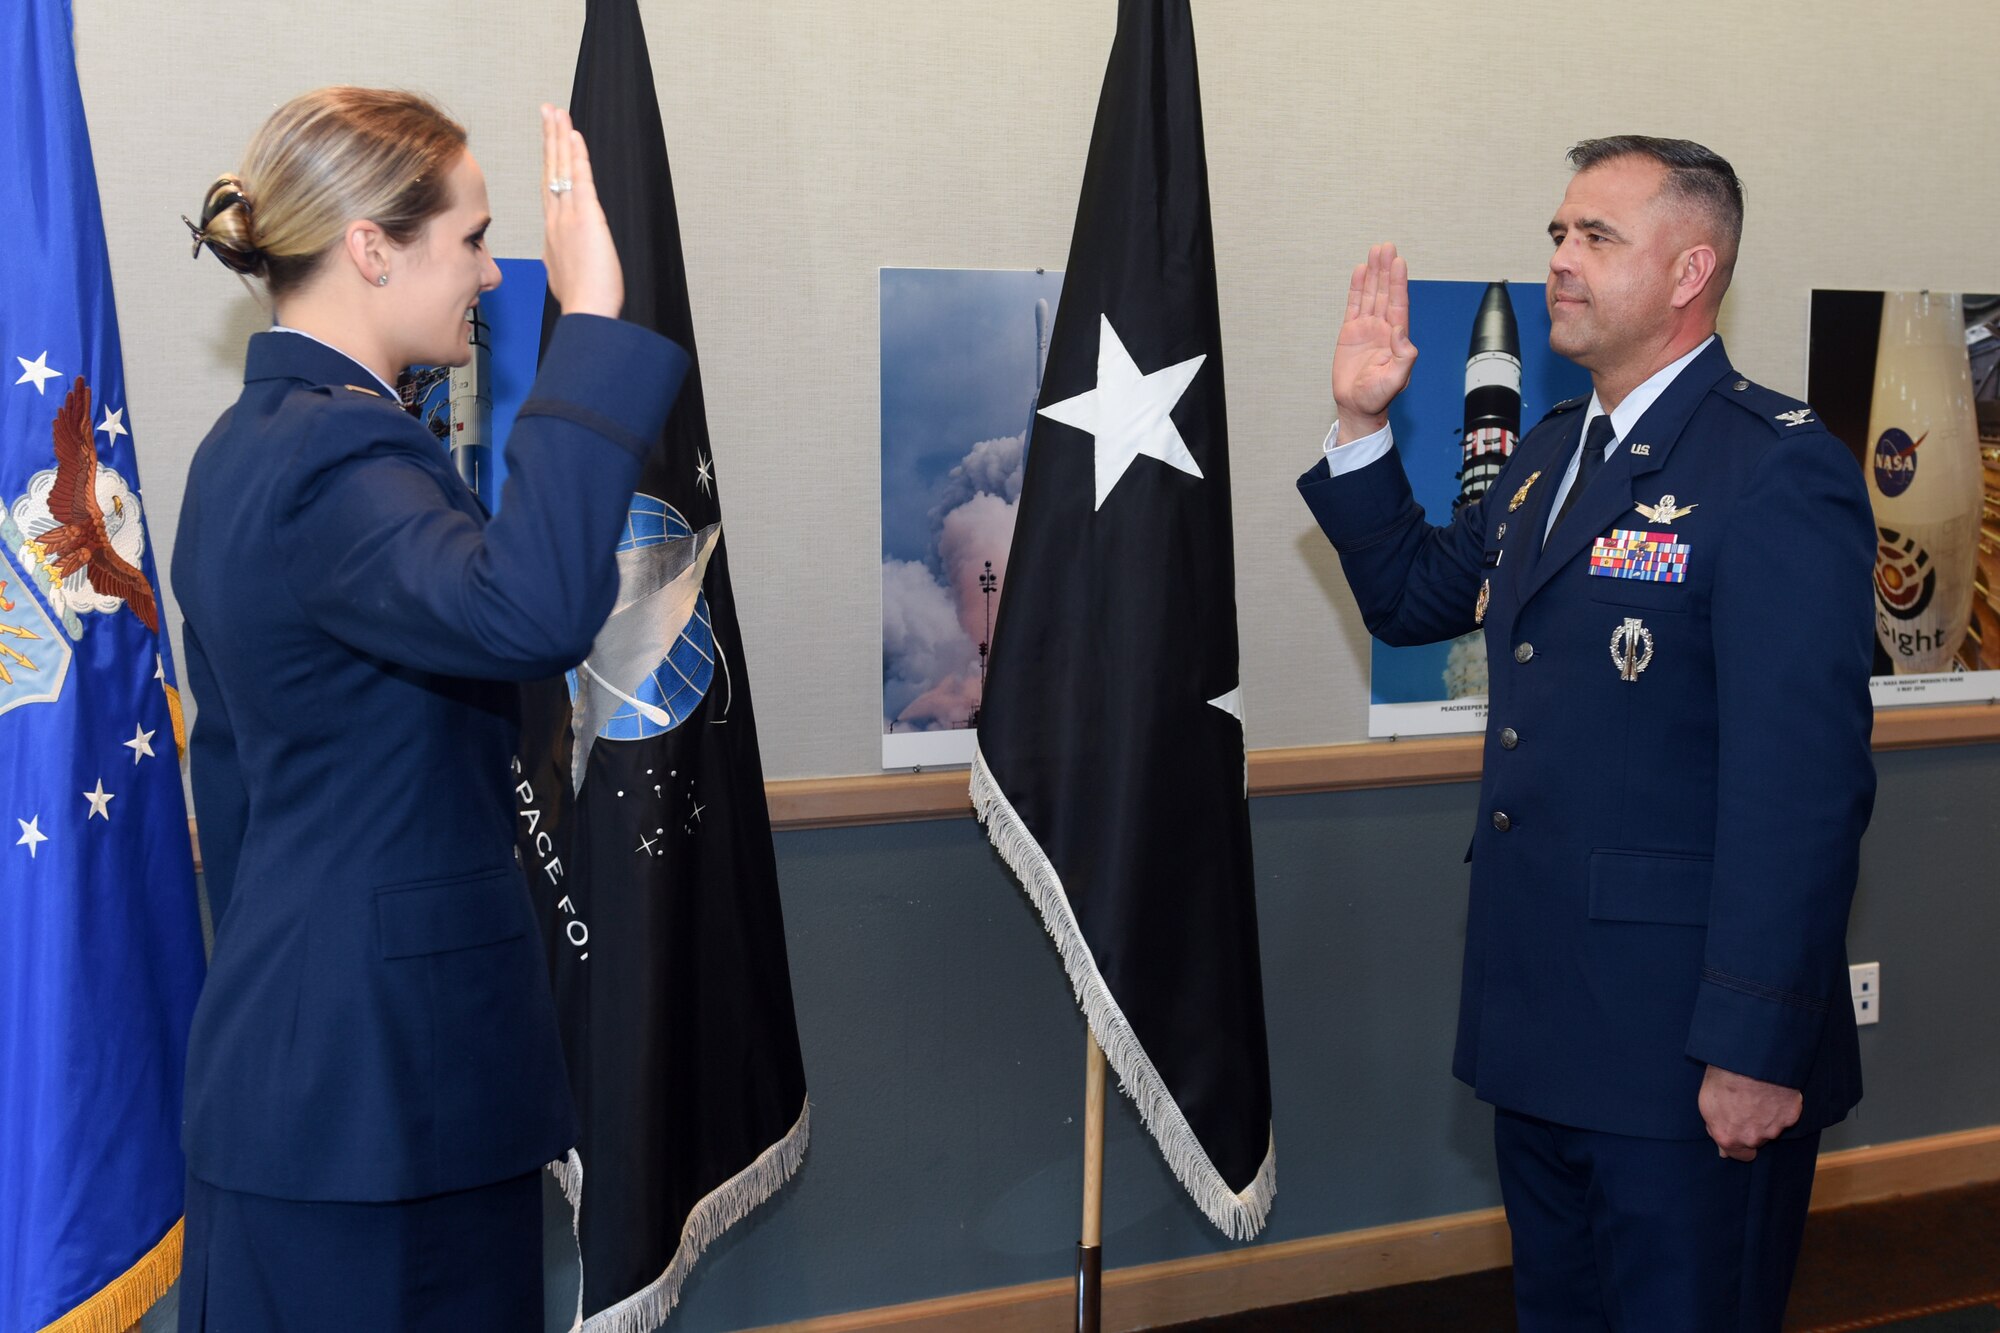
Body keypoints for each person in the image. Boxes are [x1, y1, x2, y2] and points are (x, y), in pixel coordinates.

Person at [1299, 137, 1876, 1331]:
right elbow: (1413, 600)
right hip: (1544, 1025)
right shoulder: (1553, 455)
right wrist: (1359, 423)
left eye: (1594, 237)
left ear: (1687, 271)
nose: (1558, 260)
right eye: (1557, 233)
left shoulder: (1774, 472)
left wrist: (1756, 1047)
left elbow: (1801, 788)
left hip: (1685, 1055)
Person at [173, 88, 688, 1329]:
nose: (495, 274)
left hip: (314, 1069)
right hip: (379, 1094)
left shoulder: (247, 448)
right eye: (470, 239)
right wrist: (596, 322)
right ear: (369, 245)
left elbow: (235, 789)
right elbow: (527, 613)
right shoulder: (339, 463)